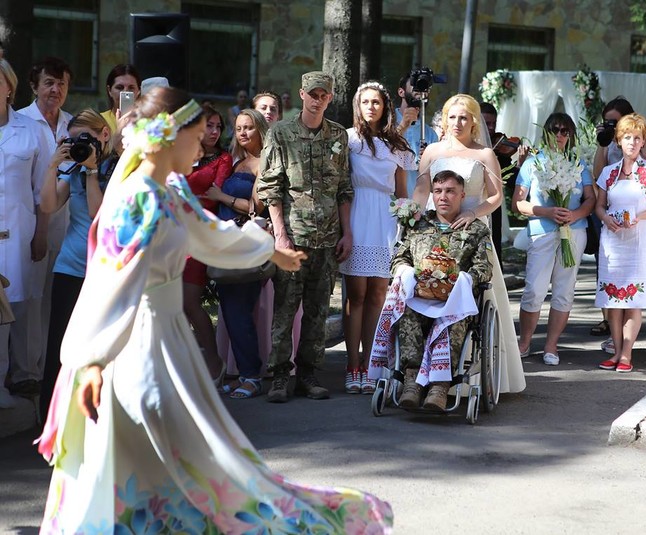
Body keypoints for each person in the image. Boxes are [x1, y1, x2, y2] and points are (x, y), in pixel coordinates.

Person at [36, 86, 393, 532]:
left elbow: (210, 234)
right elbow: (111, 282)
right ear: (169, 137)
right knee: (151, 453)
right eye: (196, 134)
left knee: (190, 452)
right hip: (132, 345)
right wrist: (92, 359)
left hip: (167, 341)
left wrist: (270, 250)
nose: (203, 142)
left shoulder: (169, 191)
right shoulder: (135, 198)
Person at [412, 93, 525, 393]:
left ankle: (468, 372)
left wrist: (473, 213)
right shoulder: (432, 151)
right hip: (436, 228)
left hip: (471, 229)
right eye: (452, 117)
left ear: (473, 122)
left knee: (474, 291)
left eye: (463, 117)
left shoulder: (484, 154)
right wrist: (411, 216)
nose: (457, 123)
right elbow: (422, 189)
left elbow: (496, 196)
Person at [258, 71, 353, 403]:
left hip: (327, 238)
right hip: (293, 238)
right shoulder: (281, 133)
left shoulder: (338, 135)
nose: (318, 100)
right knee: (285, 308)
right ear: (302, 94)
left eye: (324, 95)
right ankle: (280, 375)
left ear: (330, 98)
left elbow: (344, 188)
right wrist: (280, 236)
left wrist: (347, 232)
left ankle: (309, 374)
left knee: (318, 310)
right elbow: (271, 188)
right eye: (313, 94)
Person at [370, 170, 493, 410]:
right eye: (438, 191)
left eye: (450, 191)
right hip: (419, 297)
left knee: (453, 321)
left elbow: (484, 268)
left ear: (462, 195)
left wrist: (463, 280)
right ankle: (411, 383)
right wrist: (406, 272)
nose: (443, 197)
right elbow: (399, 258)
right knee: (406, 314)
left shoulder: (476, 229)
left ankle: (439, 387)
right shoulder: (417, 224)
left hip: (454, 302)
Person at [38, 109, 118, 421]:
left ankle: (95, 419)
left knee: (99, 350)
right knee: (60, 346)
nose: (81, 144)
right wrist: (53, 166)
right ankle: (52, 419)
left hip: (104, 272)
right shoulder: (72, 169)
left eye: (87, 138)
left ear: (104, 135)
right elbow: (48, 205)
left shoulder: (118, 168)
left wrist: (92, 171)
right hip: (70, 267)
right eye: (74, 140)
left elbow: (101, 216)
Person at [339, 81, 415, 394]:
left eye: (376, 102)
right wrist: (344, 229)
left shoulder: (396, 145)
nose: (371, 107)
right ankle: (352, 364)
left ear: (385, 107)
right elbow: (340, 185)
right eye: (366, 102)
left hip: (385, 219)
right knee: (356, 294)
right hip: (357, 214)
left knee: (378, 295)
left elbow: (402, 191)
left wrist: (408, 222)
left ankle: (371, 364)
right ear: (358, 106)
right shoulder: (348, 139)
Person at [512, 113, 595, 366]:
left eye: (564, 131)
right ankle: (525, 342)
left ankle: (551, 345)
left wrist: (575, 214)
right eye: (554, 130)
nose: (559, 135)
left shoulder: (578, 163)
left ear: (570, 135)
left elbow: (591, 199)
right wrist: (546, 211)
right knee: (534, 290)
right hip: (542, 231)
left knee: (564, 289)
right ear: (546, 132)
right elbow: (518, 203)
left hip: (574, 231)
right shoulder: (533, 163)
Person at [15, 56, 73, 397]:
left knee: (55, 299)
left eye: (61, 83)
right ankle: (27, 372)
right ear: (34, 86)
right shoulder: (20, 122)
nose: (55, 89)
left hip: (67, 226)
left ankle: (52, 369)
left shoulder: (72, 124)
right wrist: (38, 231)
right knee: (30, 297)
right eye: (49, 82)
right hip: (29, 224)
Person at [594, 113, 646, 372]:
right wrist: (606, 219)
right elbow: (599, 206)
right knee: (613, 300)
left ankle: (626, 354)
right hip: (612, 242)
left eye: (637, 138)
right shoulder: (608, 173)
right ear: (618, 141)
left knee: (633, 300)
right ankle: (615, 351)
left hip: (639, 242)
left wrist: (639, 217)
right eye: (627, 137)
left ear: (643, 141)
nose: (632, 143)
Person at [205, 109, 269, 398]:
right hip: (226, 244)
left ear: (260, 130)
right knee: (231, 311)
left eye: (249, 127)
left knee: (240, 310)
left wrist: (221, 196)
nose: (243, 132)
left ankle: (252, 376)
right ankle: (244, 372)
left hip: (246, 244)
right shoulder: (236, 161)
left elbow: (257, 208)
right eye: (239, 128)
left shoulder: (264, 162)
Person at [0, 59, 51, 408]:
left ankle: (10, 382)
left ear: (10, 87)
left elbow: (42, 191)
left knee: (12, 310)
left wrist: (41, 233)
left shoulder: (31, 131)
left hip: (16, 235)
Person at [182, 104, 232, 381]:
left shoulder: (222, 159)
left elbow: (214, 195)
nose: (214, 132)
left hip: (200, 236)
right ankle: (186, 364)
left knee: (189, 301)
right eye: (208, 126)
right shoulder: (182, 153)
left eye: (218, 127)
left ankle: (214, 361)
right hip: (172, 235)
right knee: (172, 306)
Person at [479, 101, 529, 265]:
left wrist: (520, 163)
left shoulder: (500, 151)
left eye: (493, 123)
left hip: (492, 207)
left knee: (494, 247)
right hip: (472, 204)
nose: (491, 128)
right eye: (487, 124)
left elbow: (510, 180)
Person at [396, 72, 439, 194]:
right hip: (388, 198)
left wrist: (427, 162)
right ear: (401, 92)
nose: (420, 91)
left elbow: (435, 179)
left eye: (424, 87)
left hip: (416, 200)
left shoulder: (430, 134)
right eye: (415, 85)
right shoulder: (386, 124)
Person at [100, 63, 141, 133]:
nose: (125, 92)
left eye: (131, 88)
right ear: (109, 90)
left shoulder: (146, 122)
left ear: (139, 91)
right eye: (119, 87)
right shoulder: (99, 121)